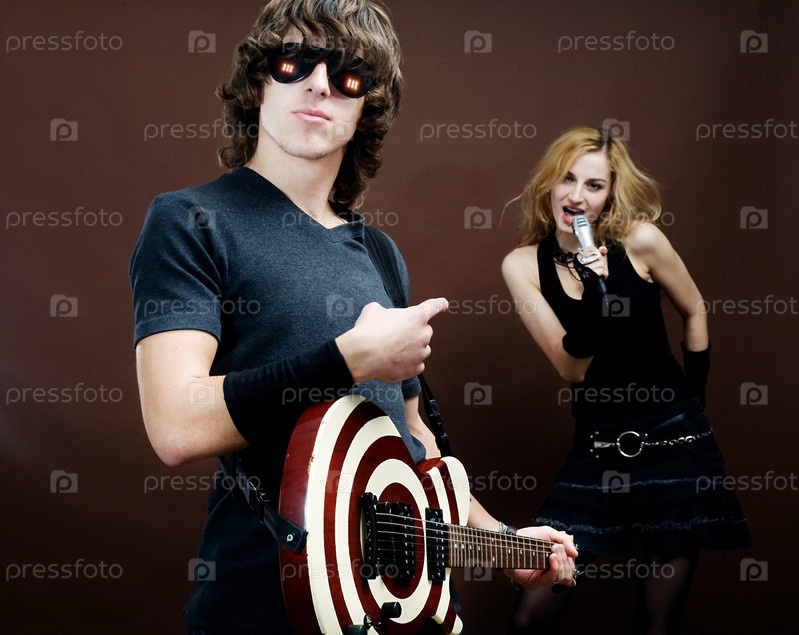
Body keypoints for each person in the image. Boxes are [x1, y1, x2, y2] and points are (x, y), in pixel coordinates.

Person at [129, 2, 577, 633]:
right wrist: (349, 360)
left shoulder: (379, 254)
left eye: (348, 74)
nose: (319, 84)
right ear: (258, 82)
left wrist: (502, 542)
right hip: (263, 610)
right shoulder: (190, 221)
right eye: (294, 62)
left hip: (392, 616)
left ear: (368, 106)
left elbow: (415, 445)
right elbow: (176, 425)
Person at [501, 125, 751, 634]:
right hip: (596, 451)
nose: (576, 196)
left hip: (675, 443)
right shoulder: (523, 265)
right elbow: (571, 366)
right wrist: (598, 291)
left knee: (656, 624)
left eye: (594, 185)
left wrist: (694, 401)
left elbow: (695, 309)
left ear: (610, 194)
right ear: (548, 182)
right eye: (567, 178)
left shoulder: (641, 240)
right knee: (531, 617)